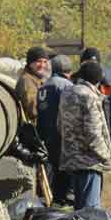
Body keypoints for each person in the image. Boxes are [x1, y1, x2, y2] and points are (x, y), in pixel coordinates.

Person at [59, 61, 111, 209]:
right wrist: (106, 155)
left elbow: (60, 125)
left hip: (71, 159)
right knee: (90, 210)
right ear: (97, 80)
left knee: (79, 208)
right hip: (89, 161)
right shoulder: (89, 96)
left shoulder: (67, 93)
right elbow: (93, 133)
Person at [37, 54, 74, 203]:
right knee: (64, 175)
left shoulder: (43, 86)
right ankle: (62, 201)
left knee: (51, 172)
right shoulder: (66, 86)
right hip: (62, 137)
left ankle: (51, 201)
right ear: (68, 70)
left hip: (45, 136)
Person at [73, 47, 111, 143]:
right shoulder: (72, 84)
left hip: (103, 140)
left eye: (94, 63)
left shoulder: (106, 86)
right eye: (88, 63)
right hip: (78, 143)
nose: (91, 67)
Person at [15, 46, 51, 124]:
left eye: (45, 62)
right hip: (34, 129)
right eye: (38, 61)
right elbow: (33, 109)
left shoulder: (38, 79)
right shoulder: (26, 81)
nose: (42, 65)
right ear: (30, 63)